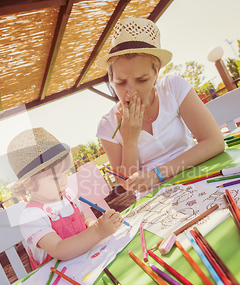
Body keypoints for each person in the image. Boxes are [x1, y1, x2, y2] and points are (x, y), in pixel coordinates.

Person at [96, 18, 225, 197]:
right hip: (155, 199)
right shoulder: (107, 125)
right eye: (120, 82)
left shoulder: (172, 88)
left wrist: (157, 174)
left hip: (198, 176)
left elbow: (215, 142)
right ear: (111, 79)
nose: (130, 92)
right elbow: (127, 182)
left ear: (157, 71)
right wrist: (130, 140)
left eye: (142, 80)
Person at [7, 128, 123, 270]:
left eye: (65, 173)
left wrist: (96, 224)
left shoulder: (67, 195)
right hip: (59, 279)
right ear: (29, 182)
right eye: (55, 177)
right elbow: (59, 249)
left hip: (87, 264)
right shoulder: (32, 216)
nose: (63, 182)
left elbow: (82, 218)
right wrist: (98, 230)